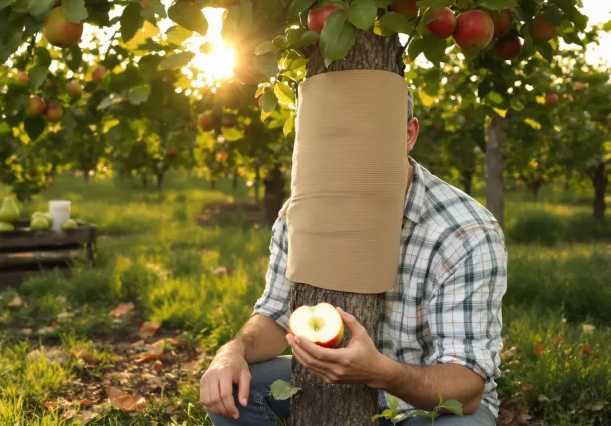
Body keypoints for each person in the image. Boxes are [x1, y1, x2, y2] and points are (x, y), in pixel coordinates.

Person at [200, 90, 507, 426]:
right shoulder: (299, 215)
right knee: (232, 391)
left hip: (426, 402)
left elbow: (467, 387)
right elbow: (275, 315)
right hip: (328, 380)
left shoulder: (464, 231)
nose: (350, 152)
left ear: (408, 135)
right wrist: (231, 351)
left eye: (370, 135)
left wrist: (381, 373)